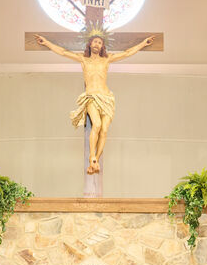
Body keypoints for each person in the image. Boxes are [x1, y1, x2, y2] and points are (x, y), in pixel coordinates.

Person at [35, 32, 154, 174]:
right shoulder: (83, 59)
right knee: (96, 124)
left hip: (107, 98)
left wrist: (143, 44)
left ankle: (95, 161)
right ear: (90, 44)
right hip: (91, 97)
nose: (97, 44)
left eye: (100, 42)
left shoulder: (107, 59)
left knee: (104, 130)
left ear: (102, 45)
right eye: (95, 41)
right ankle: (91, 156)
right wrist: (46, 42)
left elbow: (127, 53)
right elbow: (63, 52)